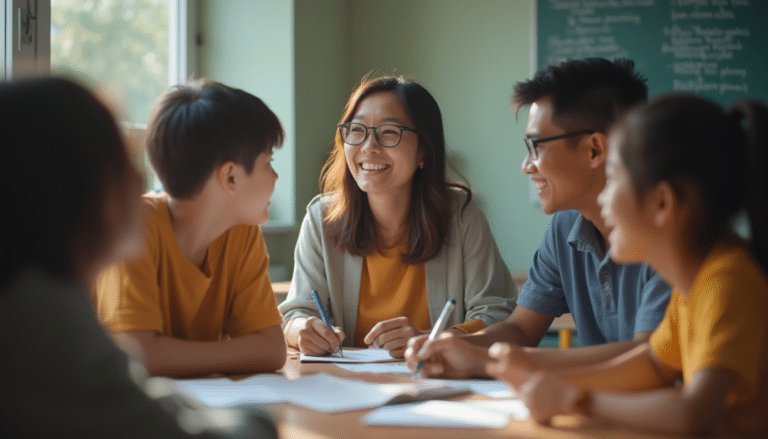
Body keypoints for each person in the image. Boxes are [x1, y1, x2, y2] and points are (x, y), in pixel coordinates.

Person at [0, 76, 277, 438]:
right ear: (78, 189)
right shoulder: (42, 320)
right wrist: (257, 419)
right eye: (123, 160)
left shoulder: (37, 299)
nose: (141, 177)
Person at [487, 94, 768, 437]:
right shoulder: (695, 285)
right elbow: (652, 366)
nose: (603, 198)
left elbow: (694, 413)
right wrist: (539, 380)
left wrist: (576, 400)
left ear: (662, 203)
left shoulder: (727, 283)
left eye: (615, 179)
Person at [406, 58, 671, 377]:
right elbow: (520, 329)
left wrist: (491, 363)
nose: (526, 166)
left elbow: (649, 355)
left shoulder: (667, 229)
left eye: (535, 147)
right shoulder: (565, 227)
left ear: (594, 150)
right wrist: (456, 343)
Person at [279, 75, 517, 358]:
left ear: (424, 152)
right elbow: (296, 311)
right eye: (357, 130)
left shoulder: (461, 216)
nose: (369, 146)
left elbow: (497, 313)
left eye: (389, 132)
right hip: (346, 384)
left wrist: (433, 340)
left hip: (433, 379)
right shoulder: (322, 218)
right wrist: (301, 329)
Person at [95, 79, 287, 377]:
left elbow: (272, 349)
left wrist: (165, 352)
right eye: (268, 162)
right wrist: (238, 352)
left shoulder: (242, 232)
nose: (275, 177)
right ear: (231, 178)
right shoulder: (134, 227)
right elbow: (137, 354)